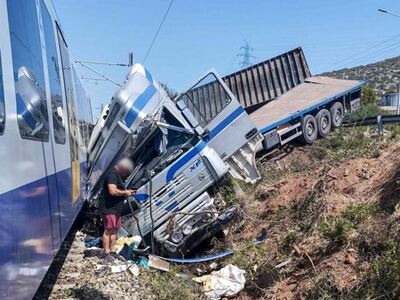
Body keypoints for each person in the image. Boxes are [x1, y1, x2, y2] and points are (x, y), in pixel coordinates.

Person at [100, 157, 135, 262]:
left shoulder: (118, 175)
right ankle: (106, 253)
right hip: (109, 209)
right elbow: (112, 191)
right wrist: (125, 193)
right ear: (122, 167)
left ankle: (112, 251)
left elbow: (118, 189)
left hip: (116, 210)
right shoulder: (112, 174)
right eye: (126, 170)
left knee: (115, 230)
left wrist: (127, 191)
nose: (126, 173)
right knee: (108, 231)